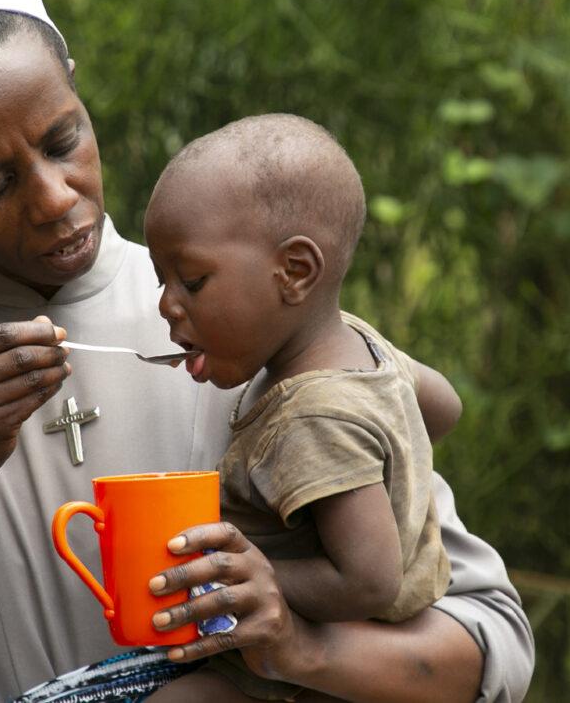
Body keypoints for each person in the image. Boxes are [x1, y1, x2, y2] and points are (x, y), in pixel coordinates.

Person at [0, 0, 534, 703]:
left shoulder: (257, 318)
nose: (55, 199)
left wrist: (299, 650)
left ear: (76, 93)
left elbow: (489, 642)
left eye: (62, 141)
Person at [143, 114, 461, 701]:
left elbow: (368, 582)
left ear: (294, 272)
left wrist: (235, 579)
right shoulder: (363, 346)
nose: (166, 306)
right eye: (162, 281)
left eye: (192, 280)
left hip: (308, 672)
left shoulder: (311, 417)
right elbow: (444, 407)